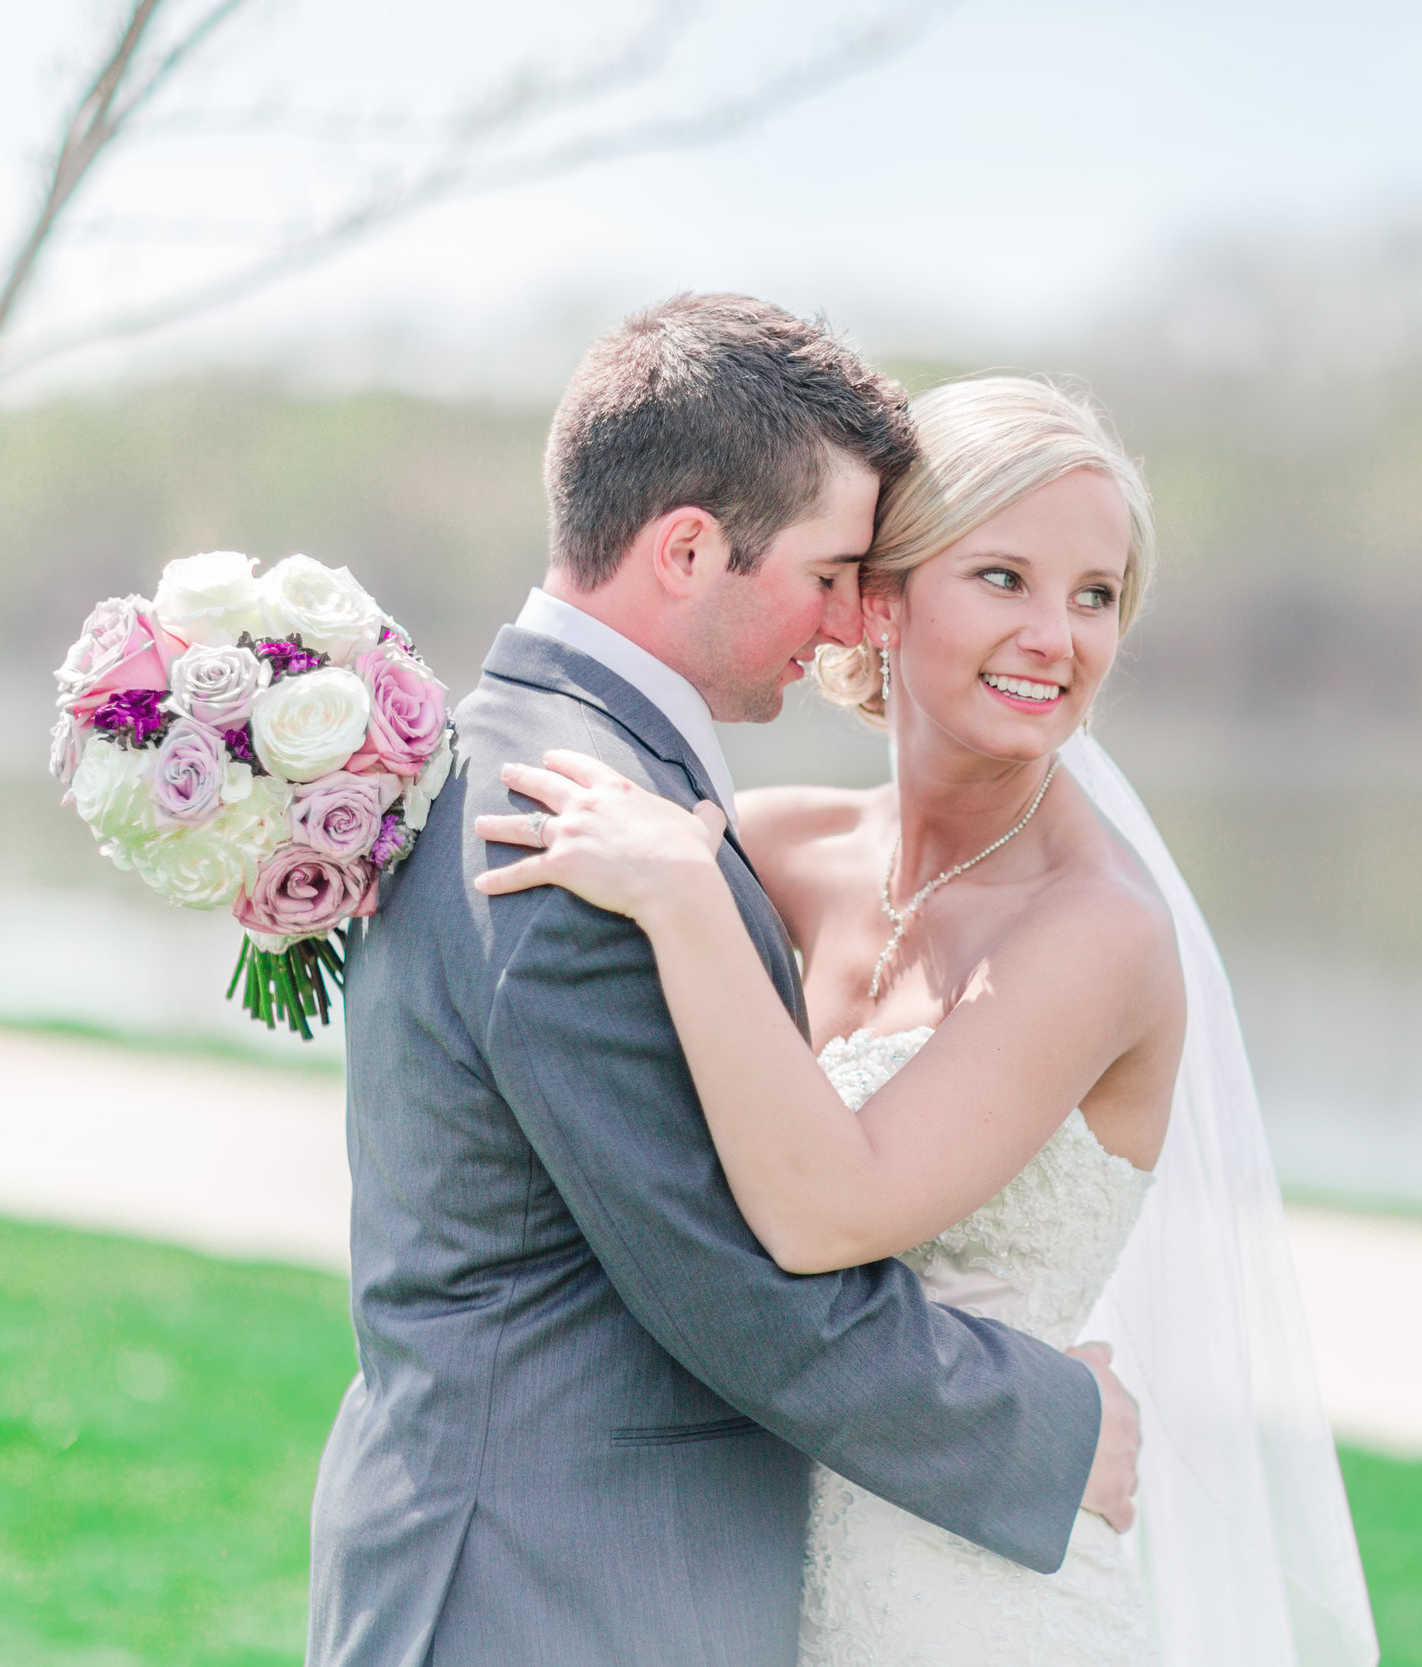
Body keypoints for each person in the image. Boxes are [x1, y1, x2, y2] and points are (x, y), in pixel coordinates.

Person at [477, 374, 1379, 1665]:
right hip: (746, 1567)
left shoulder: (1098, 929)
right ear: (879, 597)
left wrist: (679, 898)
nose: (1057, 637)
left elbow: (828, 1211)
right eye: (1002, 577)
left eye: (1097, 596)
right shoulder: (778, 846)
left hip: (980, 1588)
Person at [307, 297, 1139, 1667]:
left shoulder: (555, 768)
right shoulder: (570, 822)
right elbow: (733, 1282)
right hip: (551, 1588)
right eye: (828, 572)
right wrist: (1050, 1427)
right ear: (690, 546)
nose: (841, 623)